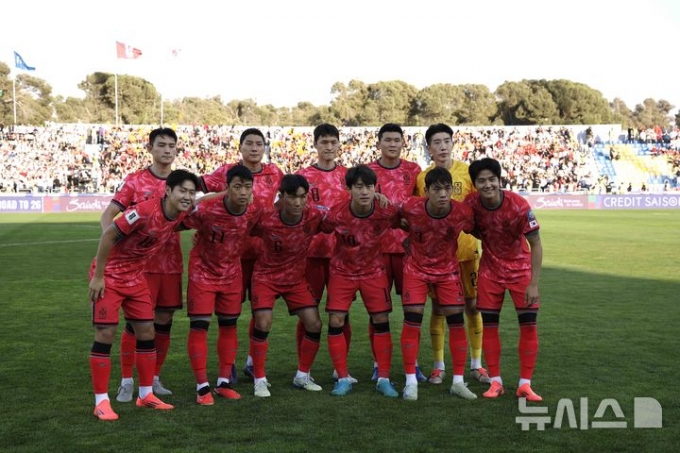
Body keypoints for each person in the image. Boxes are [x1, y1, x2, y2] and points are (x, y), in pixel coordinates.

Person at [89, 169, 199, 420]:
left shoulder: (179, 212)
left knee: (147, 332)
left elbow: (203, 204)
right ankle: (101, 401)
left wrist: (226, 191)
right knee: (105, 333)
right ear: (168, 190)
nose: (187, 196)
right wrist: (98, 276)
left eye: (192, 192)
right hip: (110, 277)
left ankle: (146, 395)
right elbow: (108, 235)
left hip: (135, 277)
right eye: (182, 190)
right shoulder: (144, 211)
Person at [99, 127, 182, 402]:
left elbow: (199, 208)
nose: (167, 150)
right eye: (161, 145)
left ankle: (153, 379)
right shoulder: (135, 181)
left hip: (170, 262)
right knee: (136, 324)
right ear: (150, 148)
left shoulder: (183, 183)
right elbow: (109, 215)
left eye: (172, 145)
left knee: (164, 320)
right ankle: (126, 380)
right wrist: (111, 245)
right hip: (137, 266)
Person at [199, 128, 284, 382]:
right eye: (249, 143)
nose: (255, 148)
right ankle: (229, 365)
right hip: (230, 256)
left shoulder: (275, 173)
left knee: (261, 312)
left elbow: (285, 199)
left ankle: (250, 361)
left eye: (260, 144)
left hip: (263, 255)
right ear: (241, 147)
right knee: (230, 314)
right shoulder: (225, 172)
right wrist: (222, 197)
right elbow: (197, 190)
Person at [181, 165, 262, 405]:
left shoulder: (254, 211)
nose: (243, 192)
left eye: (248, 187)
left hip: (231, 274)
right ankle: (202, 386)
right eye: (237, 187)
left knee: (229, 325)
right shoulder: (206, 209)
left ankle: (224, 382)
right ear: (227, 188)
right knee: (200, 327)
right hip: (202, 272)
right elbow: (178, 220)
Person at [465, 158, 543, 401]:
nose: (487, 185)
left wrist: (533, 283)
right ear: (475, 184)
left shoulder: (518, 205)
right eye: (481, 181)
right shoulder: (471, 204)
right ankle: (495, 382)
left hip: (520, 272)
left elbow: (536, 244)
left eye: (491, 179)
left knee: (528, 326)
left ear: (500, 180)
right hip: (489, 272)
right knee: (490, 326)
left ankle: (525, 384)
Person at [416, 123, 488, 386]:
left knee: (472, 306)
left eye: (447, 141)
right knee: (438, 309)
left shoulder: (468, 173)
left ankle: (477, 365)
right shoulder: (422, 178)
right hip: (436, 257)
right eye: (437, 142)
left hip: (467, 252)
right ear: (429, 147)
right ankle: (438, 366)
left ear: (452, 143)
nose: (443, 146)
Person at [321, 165, 400, 397]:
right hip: (342, 271)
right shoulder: (337, 213)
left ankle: (384, 378)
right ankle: (343, 378)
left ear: (375, 188)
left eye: (368, 186)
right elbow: (320, 224)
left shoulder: (386, 210)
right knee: (336, 320)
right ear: (349, 189)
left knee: (381, 319)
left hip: (373, 271)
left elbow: (405, 222)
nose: (364, 191)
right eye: (358, 187)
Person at [399, 167, 477, 401]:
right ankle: (410, 381)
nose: (443, 194)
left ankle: (458, 382)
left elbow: (478, 229)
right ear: (426, 191)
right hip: (416, 271)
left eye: (447, 188)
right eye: (437, 189)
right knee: (412, 321)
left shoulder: (462, 212)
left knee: (456, 322)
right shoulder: (411, 207)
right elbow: (395, 220)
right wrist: (408, 239)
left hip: (448, 273)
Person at [248, 174, 325, 397]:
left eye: (302, 197)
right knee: (263, 322)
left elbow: (344, 216)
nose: (298, 203)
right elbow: (239, 226)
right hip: (266, 276)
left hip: (295, 279)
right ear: (281, 197)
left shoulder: (314, 215)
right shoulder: (264, 218)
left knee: (314, 324)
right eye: (292, 197)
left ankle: (302, 376)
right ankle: (259, 379)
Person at [294, 124, 355, 383]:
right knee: (308, 311)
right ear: (315, 144)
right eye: (324, 142)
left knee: (343, 313)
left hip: (343, 255)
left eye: (333, 142)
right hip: (311, 254)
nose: (329, 147)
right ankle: (303, 368)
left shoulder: (350, 176)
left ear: (339, 145)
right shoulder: (303, 176)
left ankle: (340, 367)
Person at [367, 123, 424, 382]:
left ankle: (414, 363)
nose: (392, 144)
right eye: (387, 139)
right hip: (376, 249)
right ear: (378, 143)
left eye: (396, 140)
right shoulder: (367, 172)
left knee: (413, 309)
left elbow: (421, 205)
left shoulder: (414, 170)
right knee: (378, 310)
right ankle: (379, 363)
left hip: (407, 249)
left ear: (403, 143)